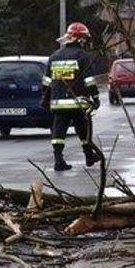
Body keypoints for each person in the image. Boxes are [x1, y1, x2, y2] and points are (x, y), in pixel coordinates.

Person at [41, 22, 102, 171]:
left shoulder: (54, 56)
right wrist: (95, 97)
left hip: (58, 103)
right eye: (85, 39)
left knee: (58, 131)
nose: (86, 42)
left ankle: (58, 160)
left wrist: (45, 98)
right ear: (79, 39)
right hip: (78, 102)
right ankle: (89, 156)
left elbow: (47, 81)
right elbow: (89, 80)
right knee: (84, 128)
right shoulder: (82, 56)